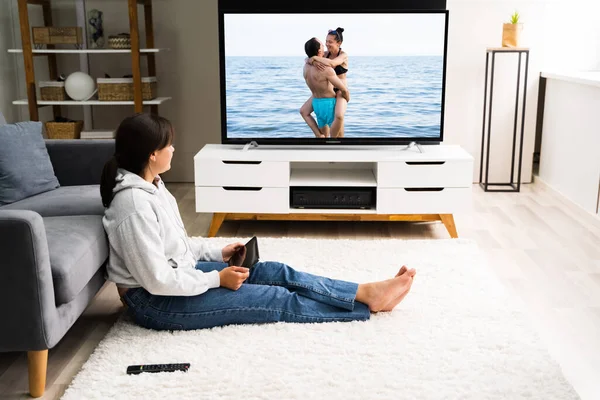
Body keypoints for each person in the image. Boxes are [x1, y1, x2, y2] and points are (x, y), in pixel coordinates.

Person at [100, 113, 416, 331]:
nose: (173, 149)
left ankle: (364, 292)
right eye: (168, 145)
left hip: (176, 278)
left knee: (272, 272)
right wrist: (217, 280)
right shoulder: (133, 204)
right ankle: (364, 307)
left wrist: (218, 254)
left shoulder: (153, 185)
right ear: (152, 154)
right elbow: (156, 280)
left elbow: (172, 246)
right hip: (154, 302)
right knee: (275, 299)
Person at [300, 27, 349, 138]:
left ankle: (334, 141)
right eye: (326, 41)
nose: (327, 44)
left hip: (340, 89)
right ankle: (323, 139)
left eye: (330, 42)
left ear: (339, 43)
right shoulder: (325, 54)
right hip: (327, 89)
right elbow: (308, 57)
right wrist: (311, 59)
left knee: (339, 115)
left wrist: (314, 59)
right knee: (304, 111)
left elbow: (332, 63)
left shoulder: (343, 55)